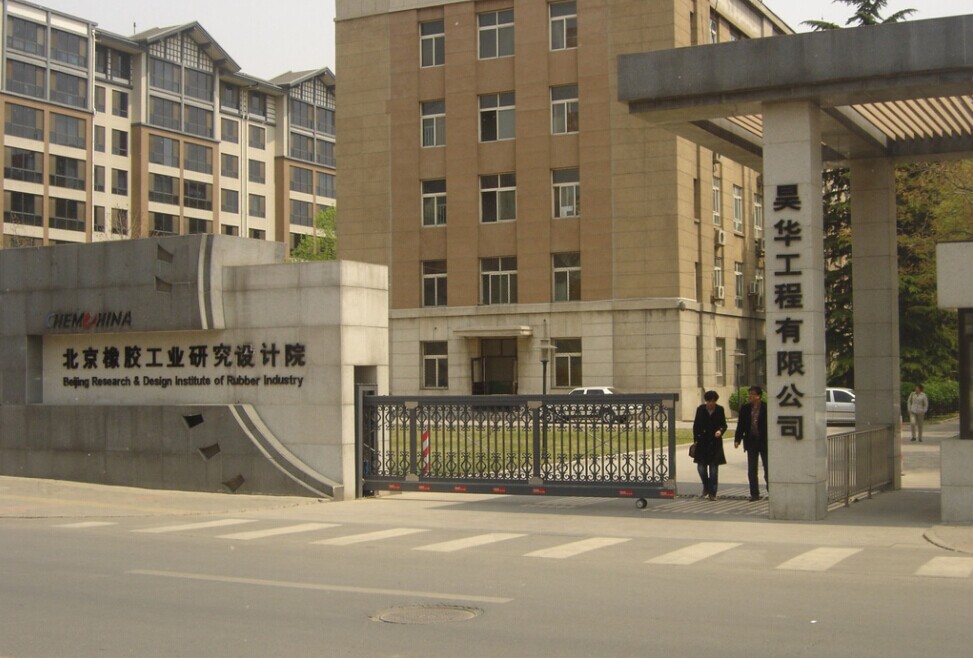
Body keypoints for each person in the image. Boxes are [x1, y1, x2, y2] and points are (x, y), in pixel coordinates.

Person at [692, 390, 728, 501]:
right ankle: (706, 485)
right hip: (702, 442)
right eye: (709, 401)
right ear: (706, 401)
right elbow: (696, 425)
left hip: (715, 443)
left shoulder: (720, 409)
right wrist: (696, 439)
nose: (711, 403)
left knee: (713, 470)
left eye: (713, 401)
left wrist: (720, 431)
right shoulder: (700, 409)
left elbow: (724, 425)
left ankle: (713, 493)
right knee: (701, 468)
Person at [734, 386, 768, 502]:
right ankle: (754, 494)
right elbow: (740, 425)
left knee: (767, 468)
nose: (750, 396)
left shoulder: (766, 408)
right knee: (752, 469)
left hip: (764, 442)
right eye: (749, 394)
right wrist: (737, 439)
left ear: (759, 396)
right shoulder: (745, 409)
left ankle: (771, 490)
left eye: (753, 394)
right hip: (751, 441)